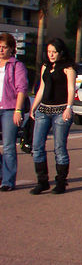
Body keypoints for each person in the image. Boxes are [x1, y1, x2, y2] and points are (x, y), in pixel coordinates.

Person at [29, 38, 76, 195]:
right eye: (49, 52)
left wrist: (68, 108)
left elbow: (71, 89)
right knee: (37, 146)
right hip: (44, 110)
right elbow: (42, 88)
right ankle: (42, 182)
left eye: (54, 52)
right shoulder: (45, 67)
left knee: (59, 147)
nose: (51, 55)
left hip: (60, 111)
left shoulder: (68, 69)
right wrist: (33, 107)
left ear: (61, 52)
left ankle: (61, 182)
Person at [0, 33, 29, 191]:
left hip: (9, 108)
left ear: (11, 49)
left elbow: (22, 89)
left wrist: (18, 110)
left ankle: (8, 181)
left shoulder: (16, 65)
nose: (1, 50)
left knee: (9, 146)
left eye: (4, 47)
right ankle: (1, 172)